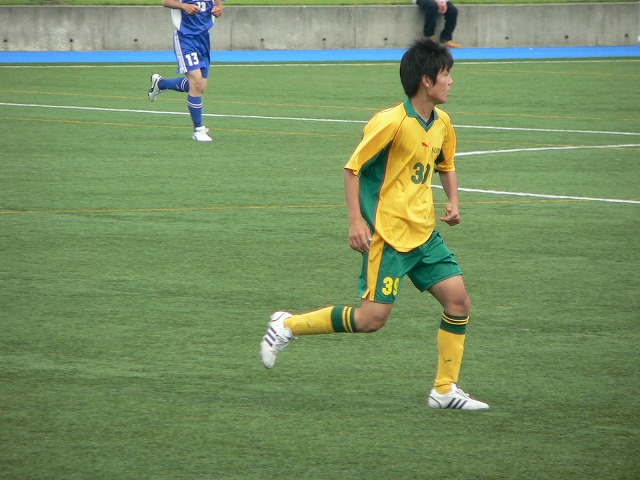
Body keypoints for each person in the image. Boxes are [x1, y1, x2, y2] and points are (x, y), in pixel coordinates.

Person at [260, 39, 488, 411]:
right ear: (426, 80)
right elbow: (352, 169)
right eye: (446, 74)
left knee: (459, 302)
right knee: (370, 320)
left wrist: (454, 201)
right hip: (390, 236)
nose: (451, 82)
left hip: (425, 234)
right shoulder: (391, 122)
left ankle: (444, 389)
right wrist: (355, 221)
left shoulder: (443, 123)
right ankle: (287, 325)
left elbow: (446, 165)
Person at [148, 0, 223, 142]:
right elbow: (165, 2)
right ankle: (198, 130)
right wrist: (184, 6)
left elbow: (218, 4)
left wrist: (219, 8)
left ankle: (160, 84)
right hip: (185, 38)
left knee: (199, 87)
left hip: (204, 39)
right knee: (196, 82)